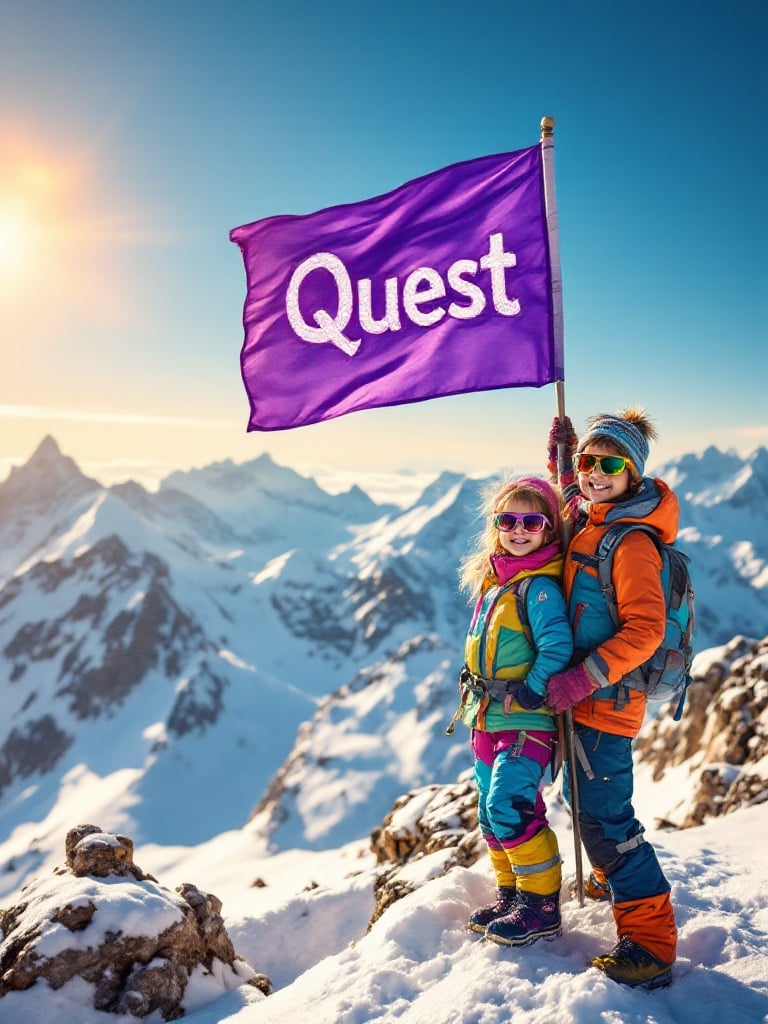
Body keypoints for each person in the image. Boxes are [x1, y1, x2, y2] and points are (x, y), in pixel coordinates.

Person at [545, 406, 679, 989]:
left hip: (606, 702)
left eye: (610, 464)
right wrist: (560, 465)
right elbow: (571, 505)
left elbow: (646, 629)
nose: (595, 473)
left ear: (634, 474)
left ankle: (650, 943)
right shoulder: (596, 518)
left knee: (609, 823)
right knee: (585, 806)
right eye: (587, 462)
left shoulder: (630, 542)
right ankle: (612, 875)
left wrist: (584, 676)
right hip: (588, 701)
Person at [451, 476, 573, 946]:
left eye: (531, 521)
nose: (518, 529)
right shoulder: (496, 582)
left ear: (548, 529)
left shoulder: (539, 590)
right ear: (495, 526)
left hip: (524, 718)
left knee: (511, 805)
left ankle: (541, 907)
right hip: (486, 717)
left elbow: (557, 646)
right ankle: (512, 894)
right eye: (507, 520)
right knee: (489, 809)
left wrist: (532, 690)